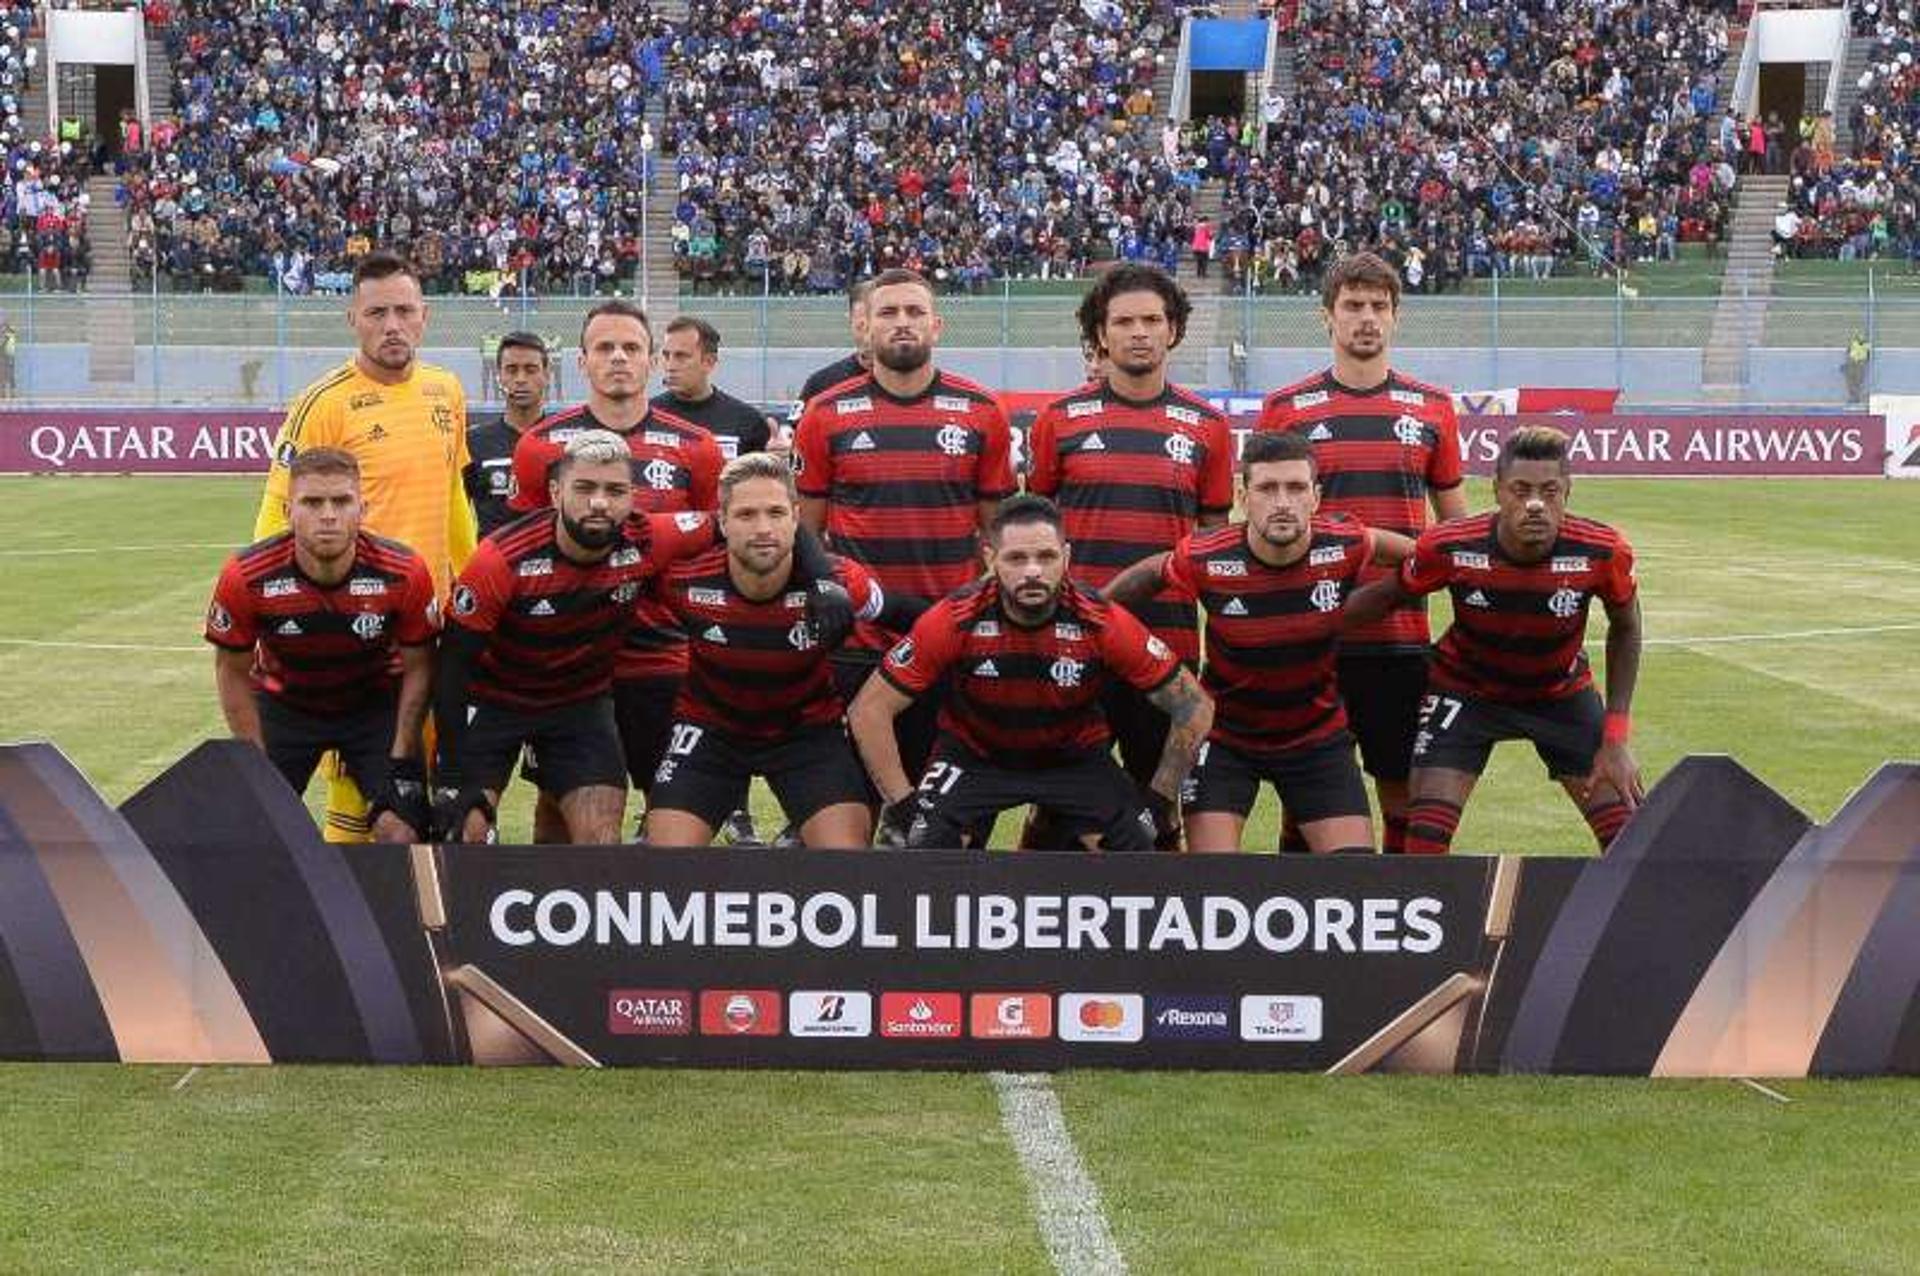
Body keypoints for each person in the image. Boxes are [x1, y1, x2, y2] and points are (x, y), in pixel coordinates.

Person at [254, 249, 474, 843]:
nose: (392, 325)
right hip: (356, 631)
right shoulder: (323, 403)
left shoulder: (445, 391)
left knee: (422, 779)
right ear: (353, 319)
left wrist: (469, 587)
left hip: (431, 627)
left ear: (425, 316)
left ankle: (425, 919)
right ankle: (355, 921)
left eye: (404, 311)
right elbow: (278, 518)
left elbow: (453, 494)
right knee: (361, 784)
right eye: (377, 313)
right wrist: (276, 618)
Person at [849, 494, 1212, 851]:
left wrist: (1160, 799)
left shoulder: (1101, 620)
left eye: (1046, 556)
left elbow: (1194, 706)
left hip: (1073, 759)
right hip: (975, 756)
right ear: (990, 558)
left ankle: (1050, 830)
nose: (1033, 571)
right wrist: (901, 804)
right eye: (1016, 558)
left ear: (1066, 557)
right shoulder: (954, 618)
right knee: (925, 846)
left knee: (1132, 848)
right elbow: (869, 709)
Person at [1343, 426, 1644, 856]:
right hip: (1464, 692)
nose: (1535, 504)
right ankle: (1423, 920)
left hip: (1559, 694)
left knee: (1629, 839)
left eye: (1549, 491)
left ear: (1568, 492)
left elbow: (1627, 626)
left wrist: (1615, 738)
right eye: (1521, 490)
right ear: (1498, 491)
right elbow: (1388, 595)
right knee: (1424, 838)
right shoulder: (1451, 545)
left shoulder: (1602, 550)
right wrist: (1309, 622)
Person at [1106, 432, 1413, 853]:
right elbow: (1149, 575)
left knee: (1354, 880)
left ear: (1316, 497)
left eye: (1296, 488)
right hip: (1226, 740)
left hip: (1316, 738)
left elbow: (1424, 558)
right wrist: (1091, 612)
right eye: (1267, 488)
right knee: (1214, 888)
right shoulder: (1205, 556)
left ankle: (1297, 835)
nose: (1282, 502)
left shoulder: (1347, 542)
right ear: (1242, 496)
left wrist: (1380, 599)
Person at [1257, 251, 1467, 854]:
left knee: (1400, 787)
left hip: (1399, 637)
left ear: (1396, 317)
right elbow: (1266, 523)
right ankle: (1304, 928)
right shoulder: (1288, 408)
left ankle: (1396, 924)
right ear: (1328, 317)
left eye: (1379, 306)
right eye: (1353, 305)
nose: (1366, 317)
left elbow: (1452, 529)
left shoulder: (1431, 408)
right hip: (1312, 635)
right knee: (1307, 793)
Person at [1025, 263, 1232, 849]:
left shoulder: (1208, 426)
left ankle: (1161, 938)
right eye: (1124, 321)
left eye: (1152, 320)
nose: (1139, 332)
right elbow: (1033, 541)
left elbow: (1214, 546)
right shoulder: (1059, 420)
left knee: (1159, 812)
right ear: (1100, 334)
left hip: (1169, 647)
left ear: (1173, 331)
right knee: (1052, 806)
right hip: (1075, 642)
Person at [431, 431, 723, 844]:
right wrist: (451, 776)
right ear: (555, 492)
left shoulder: (651, 537)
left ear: (632, 495)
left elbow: (742, 519)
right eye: (584, 488)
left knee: (600, 843)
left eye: (615, 490)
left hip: (577, 705)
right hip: (493, 701)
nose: (600, 502)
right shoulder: (500, 559)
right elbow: (452, 666)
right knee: (462, 833)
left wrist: (820, 580)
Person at [508, 300, 726, 832]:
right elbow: (521, 552)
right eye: (604, 348)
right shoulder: (539, 448)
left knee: (671, 817)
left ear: (652, 361)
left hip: (663, 659)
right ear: (582, 363)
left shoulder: (696, 449)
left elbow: (713, 553)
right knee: (558, 815)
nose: (619, 358)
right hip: (571, 663)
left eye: (631, 348)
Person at [794, 267, 1016, 789]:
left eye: (915, 312)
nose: (902, 323)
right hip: (858, 642)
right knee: (853, 807)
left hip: (950, 637)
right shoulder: (825, 413)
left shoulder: (982, 411)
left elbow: (998, 536)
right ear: (864, 328)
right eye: (888, 313)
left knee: (944, 812)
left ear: (937, 326)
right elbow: (807, 534)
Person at [644, 454, 926, 849]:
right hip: (709, 730)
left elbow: (911, 617)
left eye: (776, 513)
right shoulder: (682, 578)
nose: (763, 528)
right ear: (721, 522)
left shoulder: (840, 583)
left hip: (807, 732)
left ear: (796, 517)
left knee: (847, 863)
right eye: (746, 515)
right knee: (667, 862)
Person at [206, 448, 438, 843]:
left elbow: (421, 666)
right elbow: (231, 672)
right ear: (287, 510)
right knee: (252, 831)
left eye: (341, 501)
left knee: (401, 833)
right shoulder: (246, 576)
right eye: (312, 502)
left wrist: (401, 751)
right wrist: (255, 761)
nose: (328, 515)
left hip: (373, 708)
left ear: (362, 508)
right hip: (285, 706)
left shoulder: (404, 572)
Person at [653, 315, 776, 461]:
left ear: (709, 362)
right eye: (666, 356)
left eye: (681, 356)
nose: (670, 366)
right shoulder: (646, 415)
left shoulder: (747, 421)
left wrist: (777, 463)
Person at [464, 332, 552, 536]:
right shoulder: (473, 443)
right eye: (511, 370)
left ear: (547, 375)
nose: (521, 379)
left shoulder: (564, 441)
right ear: (499, 376)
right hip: (493, 564)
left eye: (531, 370)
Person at [1845, 332, 1872, 405]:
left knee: (1857, 382)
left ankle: (1856, 398)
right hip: (1853, 363)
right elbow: (1848, 351)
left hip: (1860, 364)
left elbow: (1868, 356)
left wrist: (1863, 361)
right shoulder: (1854, 343)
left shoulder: (1867, 346)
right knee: (1851, 382)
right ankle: (1853, 397)